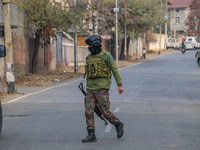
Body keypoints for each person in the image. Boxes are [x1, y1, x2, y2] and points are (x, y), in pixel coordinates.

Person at [82, 34, 124, 143]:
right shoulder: (88, 58)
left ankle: (118, 123)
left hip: (102, 88)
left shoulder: (106, 56)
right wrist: (87, 90)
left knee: (105, 111)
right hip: (90, 89)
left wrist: (119, 85)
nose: (88, 48)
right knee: (88, 111)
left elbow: (114, 70)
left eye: (90, 46)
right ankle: (91, 134)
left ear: (95, 45)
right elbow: (89, 74)